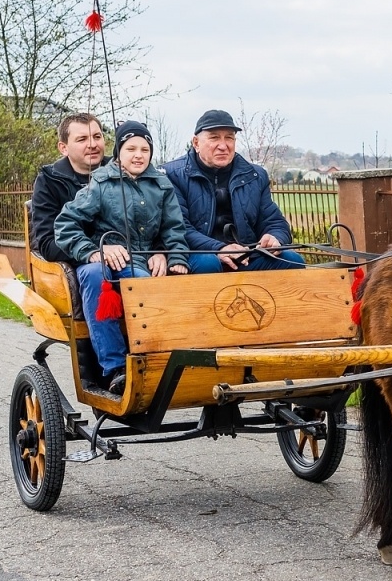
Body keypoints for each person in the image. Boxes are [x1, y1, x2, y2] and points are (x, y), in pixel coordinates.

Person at [54, 122, 190, 395]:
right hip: (105, 261)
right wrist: (93, 251)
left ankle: (160, 362)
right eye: (131, 149)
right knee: (96, 276)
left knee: (148, 286)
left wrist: (174, 257)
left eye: (145, 149)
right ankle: (116, 368)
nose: (138, 155)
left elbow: (174, 229)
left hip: (142, 262)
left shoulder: (162, 185)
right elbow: (66, 224)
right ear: (118, 152)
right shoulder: (101, 183)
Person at [163, 109, 304, 272]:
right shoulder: (172, 175)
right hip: (198, 254)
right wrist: (219, 248)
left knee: (292, 260)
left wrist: (275, 237)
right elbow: (179, 228)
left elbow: (274, 221)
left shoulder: (255, 176)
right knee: (208, 263)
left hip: (245, 256)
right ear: (196, 143)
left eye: (229, 138)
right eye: (214, 138)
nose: (223, 146)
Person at [28, 112, 106, 263]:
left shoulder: (120, 172)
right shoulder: (48, 181)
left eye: (97, 137)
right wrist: (97, 250)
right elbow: (48, 245)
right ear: (63, 148)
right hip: (80, 264)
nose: (92, 144)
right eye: (82, 139)